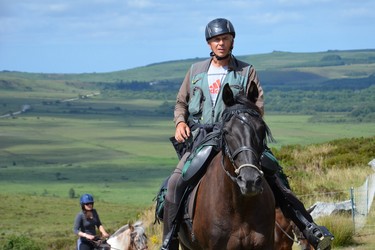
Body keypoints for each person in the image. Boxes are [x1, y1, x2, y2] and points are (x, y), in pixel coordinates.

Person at [161, 18, 334, 250]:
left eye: (224, 39)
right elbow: (181, 102)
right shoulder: (195, 72)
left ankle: (308, 228)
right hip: (203, 138)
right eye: (215, 40)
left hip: (239, 136)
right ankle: (169, 240)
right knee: (174, 183)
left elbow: (258, 105)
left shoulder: (246, 71)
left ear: (232, 41)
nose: (220, 43)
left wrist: (242, 120)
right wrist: (180, 122)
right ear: (209, 44)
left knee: (277, 177)